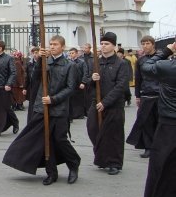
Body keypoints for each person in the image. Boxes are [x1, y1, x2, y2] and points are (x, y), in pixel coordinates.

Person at [3, 35, 81, 185]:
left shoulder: (70, 65)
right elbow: (35, 78)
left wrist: (54, 99)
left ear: (62, 47)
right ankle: (51, 172)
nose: (52, 47)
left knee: (60, 139)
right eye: (51, 44)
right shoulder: (45, 62)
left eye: (55, 44)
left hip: (59, 109)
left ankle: (73, 163)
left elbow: (71, 88)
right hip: (42, 108)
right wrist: (40, 60)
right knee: (46, 140)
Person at [139, 40, 176, 197]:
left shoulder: (168, 67)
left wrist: (166, 51)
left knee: (159, 168)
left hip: (168, 125)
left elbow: (146, 66)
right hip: (167, 122)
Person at [86, 32, 130, 175]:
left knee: (113, 134)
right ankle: (102, 158)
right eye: (102, 44)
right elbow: (87, 84)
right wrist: (92, 79)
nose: (103, 46)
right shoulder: (95, 63)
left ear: (114, 46)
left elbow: (121, 86)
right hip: (96, 102)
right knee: (93, 129)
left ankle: (114, 163)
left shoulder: (121, 64)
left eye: (107, 44)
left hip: (114, 104)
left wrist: (105, 102)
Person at [127, 36, 160, 158]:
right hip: (146, 94)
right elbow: (138, 79)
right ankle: (148, 147)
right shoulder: (140, 61)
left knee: (160, 122)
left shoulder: (162, 58)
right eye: (143, 44)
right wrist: (137, 96)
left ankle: (160, 146)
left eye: (147, 43)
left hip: (160, 95)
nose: (145, 46)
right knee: (146, 122)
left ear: (153, 44)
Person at [67, 47, 89, 120]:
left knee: (79, 99)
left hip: (79, 83)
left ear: (76, 53)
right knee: (71, 99)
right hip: (71, 83)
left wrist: (83, 82)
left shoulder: (82, 62)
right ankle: (72, 114)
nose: (71, 54)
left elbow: (85, 73)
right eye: (70, 53)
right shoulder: (68, 62)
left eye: (72, 53)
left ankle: (79, 114)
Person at [23, 46, 41, 123]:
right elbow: (27, 76)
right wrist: (25, 88)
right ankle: (30, 121)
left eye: (37, 53)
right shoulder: (29, 63)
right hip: (32, 87)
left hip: (40, 87)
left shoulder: (43, 62)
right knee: (32, 104)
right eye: (33, 53)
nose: (35, 55)